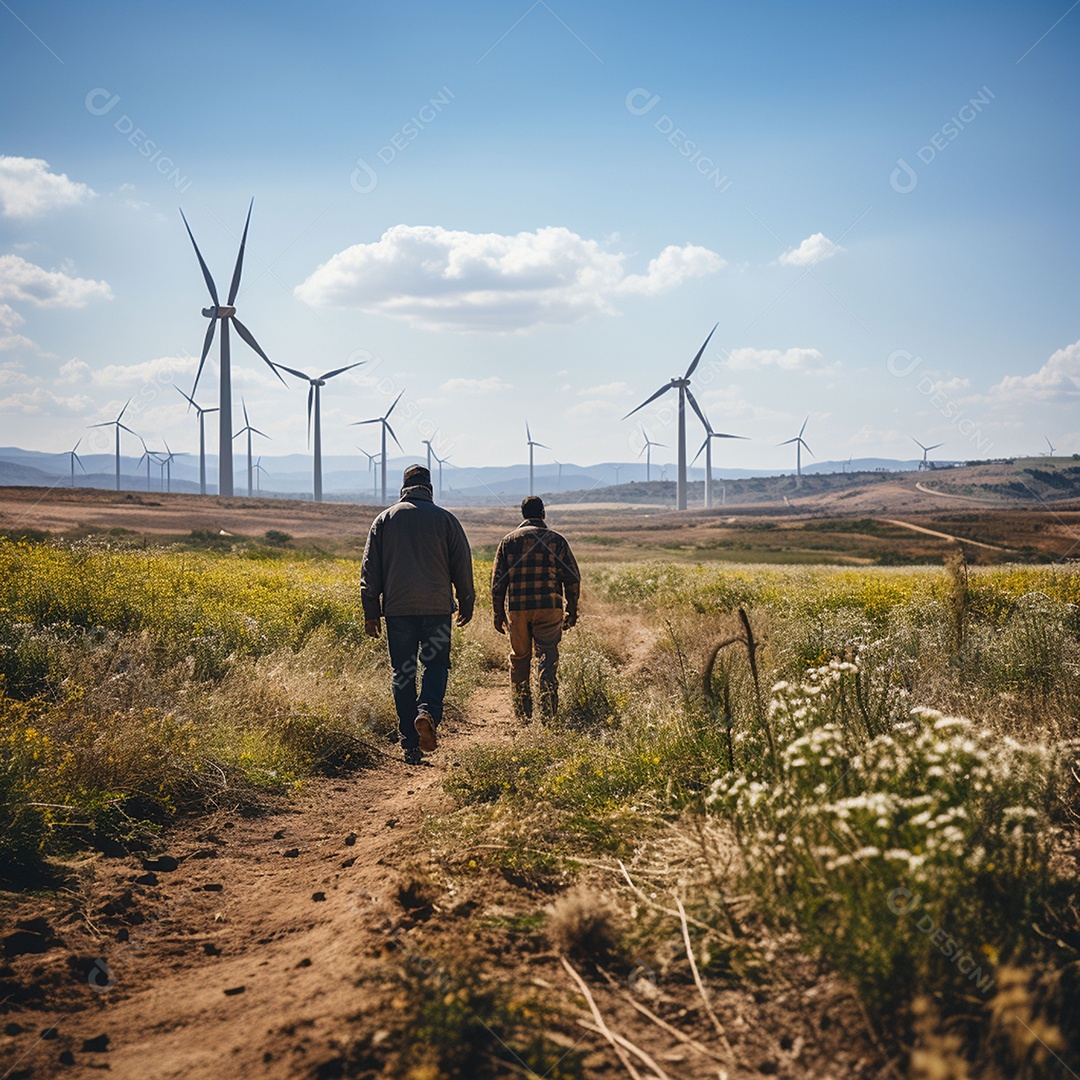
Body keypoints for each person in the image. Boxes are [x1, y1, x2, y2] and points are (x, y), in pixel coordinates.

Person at [361, 464, 475, 764]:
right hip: (437, 610)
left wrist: (370, 611)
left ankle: (410, 743)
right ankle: (427, 713)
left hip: (398, 611)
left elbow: (370, 569)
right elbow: (462, 565)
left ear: (403, 487)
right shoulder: (447, 520)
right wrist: (466, 602)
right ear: (429, 488)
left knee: (403, 672)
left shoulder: (384, 520)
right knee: (436, 665)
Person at [491, 496, 580, 722]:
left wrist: (498, 612)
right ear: (543, 512)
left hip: (518, 610)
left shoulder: (508, 541)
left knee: (520, 658)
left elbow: (498, 582)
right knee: (547, 656)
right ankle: (548, 711)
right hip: (549, 607)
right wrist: (572, 609)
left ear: (523, 514)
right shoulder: (557, 541)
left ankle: (523, 714)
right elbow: (572, 578)